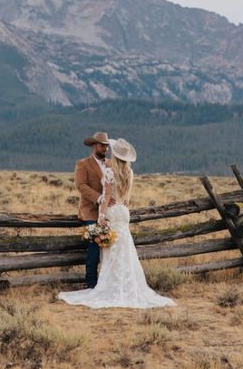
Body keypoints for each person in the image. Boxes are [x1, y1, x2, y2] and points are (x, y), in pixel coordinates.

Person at [59, 138, 177, 309]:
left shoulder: (109, 172)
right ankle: (127, 285)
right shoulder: (129, 173)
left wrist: (101, 216)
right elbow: (126, 197)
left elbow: (106, 198)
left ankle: (110, 286)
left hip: (113, 212)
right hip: (123, 211)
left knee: (111, 249)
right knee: (124, 247)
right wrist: (123, 203)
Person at [73, 131, 111, 288]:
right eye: (102, 146)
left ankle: (106, 282)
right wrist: (99, 198)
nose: (105, 149)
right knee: (95, 247)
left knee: (109, 246)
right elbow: (81, 186)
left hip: (109, 211)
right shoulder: (83, 164)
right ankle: (91, 283)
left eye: (107, 146)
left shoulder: (110, 164)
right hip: (90, 210)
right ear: (94, 146)